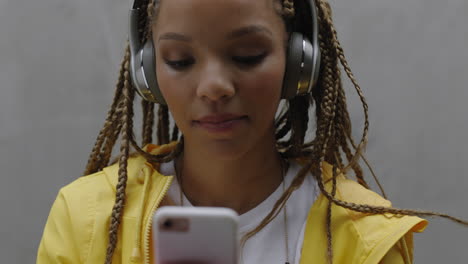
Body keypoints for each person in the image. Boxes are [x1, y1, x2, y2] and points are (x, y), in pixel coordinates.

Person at [36, 0, 468, 263]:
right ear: (148, 72)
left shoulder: (363, 237)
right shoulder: (85, 220)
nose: (213, 87)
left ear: (300, 62)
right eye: (180, 61)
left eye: (247, 55)